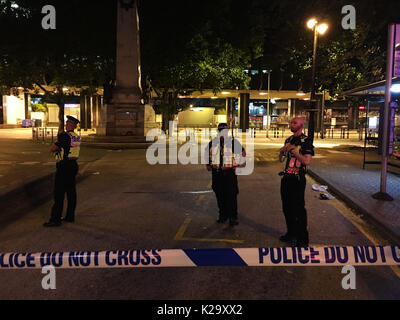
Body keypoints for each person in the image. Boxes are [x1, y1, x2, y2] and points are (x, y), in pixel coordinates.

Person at [278, 117, 314, 246]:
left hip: (297, 179)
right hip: (286, 177)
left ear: (301, 125)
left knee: (298, 209)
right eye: (291, 122)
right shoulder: (289, 139)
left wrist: (294, 151)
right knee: (286, 208)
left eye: (294, 123)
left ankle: (302, 239)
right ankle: (291, 233)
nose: (291, 124)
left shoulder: (306, 141)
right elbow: (281, 160)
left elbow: (307, 161)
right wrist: (282, 152)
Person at [205, 123, 246, 226]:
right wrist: (208, 165)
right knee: (220, 196)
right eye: (221, 131)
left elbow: (243, 154)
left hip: (229, 174)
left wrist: (237, 164)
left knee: (231, 196)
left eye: (225, 131)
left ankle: (233, 217)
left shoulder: (234, 143)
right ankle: (223, 215)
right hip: (217, 174)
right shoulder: (213, 143)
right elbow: (207, 154)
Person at [43, 116, 81, 227]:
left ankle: (55, 219)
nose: (66, 124)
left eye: (68, 123)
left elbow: (53, 148)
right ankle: (70, 216)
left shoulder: (64, 135)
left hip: (64, 167)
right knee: (71, 192)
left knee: (59, 194)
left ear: (73, 125)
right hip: (73, 165)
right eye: (66, 122)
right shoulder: (76, 136)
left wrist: (58, 138)